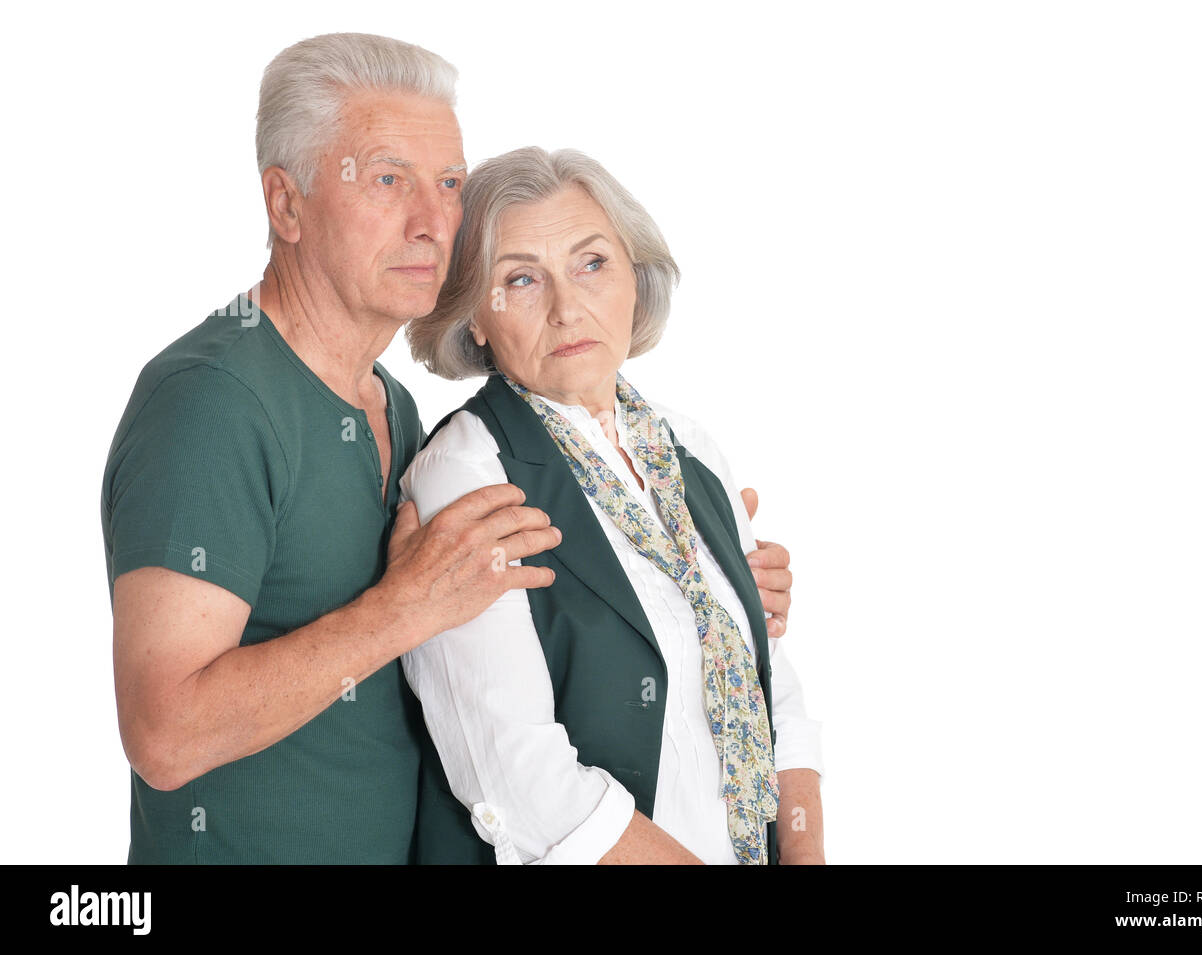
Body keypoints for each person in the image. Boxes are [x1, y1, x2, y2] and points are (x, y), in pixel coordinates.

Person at [99, 33, 796, 864]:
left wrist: (698, 596)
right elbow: (164, 734)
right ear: (285, 205)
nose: (433, 223)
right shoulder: (212, 402)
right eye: (388, 179)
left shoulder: (388, 403)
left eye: (450, 184)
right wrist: (404, 607)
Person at [399, 147, 825, 864]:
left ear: (636, 279)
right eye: (522, 279)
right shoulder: (468, 475)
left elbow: (771, 688)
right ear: (475, 315)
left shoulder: (689, 450)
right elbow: (519, 779)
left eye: (592, 263)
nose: (568, 308)